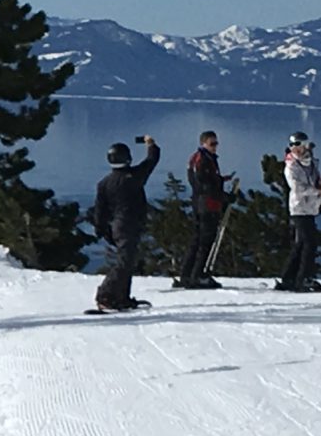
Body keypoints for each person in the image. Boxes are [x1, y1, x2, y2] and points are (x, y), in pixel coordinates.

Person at [91, 135, 159, 312]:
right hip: (131, 224)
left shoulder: (104, 183)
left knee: (128, 260)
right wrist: (150, 144)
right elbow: (151, 160)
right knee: (125, 262)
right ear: (127, 157)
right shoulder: (134, 176)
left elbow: (99, 211)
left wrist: (102, 230)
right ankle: (105, 295)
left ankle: (121, 297)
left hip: (117, 226)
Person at [173, 130, 233, 289]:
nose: (215, 147)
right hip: (207, 205)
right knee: (205, 241)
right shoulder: (202, 160)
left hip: (203, 203)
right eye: (212, 143)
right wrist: (224, 196)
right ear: (203, 143)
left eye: (216, 143)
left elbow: (208, 180)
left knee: (197, 240)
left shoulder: (204, 159)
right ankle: (197, 275)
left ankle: (187, 274)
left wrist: (221, 180)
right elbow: (204, 185)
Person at [275, 131, 321, 291]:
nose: (295, 148)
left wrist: (320, 186)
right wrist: (316, 191)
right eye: (292, 145)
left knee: (301, 243)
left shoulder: (311, 163)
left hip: (310, 207)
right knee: (310, 243)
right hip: (299, 208)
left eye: (298, 144)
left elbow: (314, 180)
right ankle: (303, 278)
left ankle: (288, 277)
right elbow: (297, 187)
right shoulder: (291, 166)